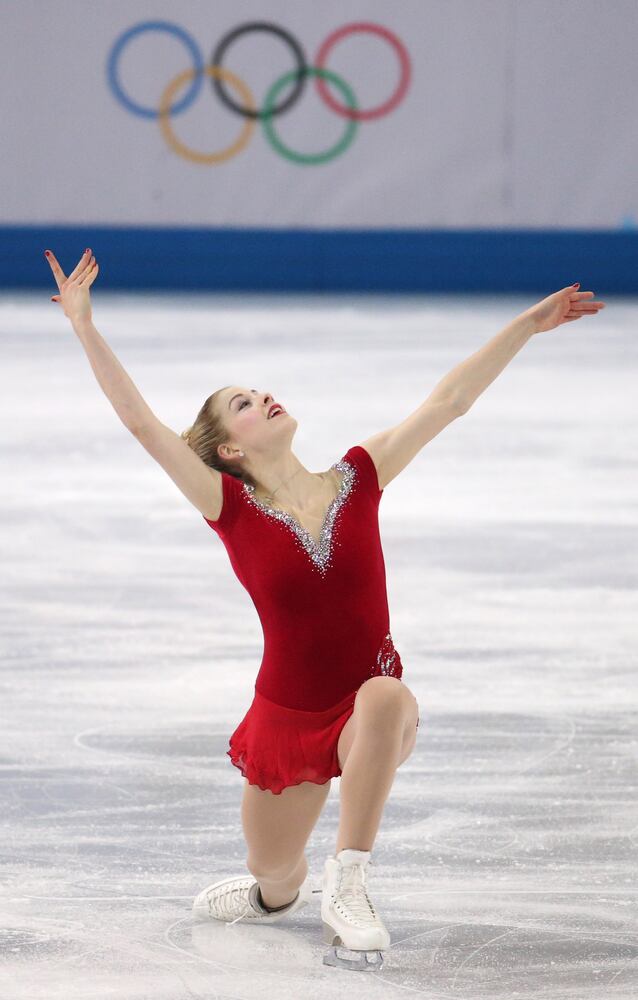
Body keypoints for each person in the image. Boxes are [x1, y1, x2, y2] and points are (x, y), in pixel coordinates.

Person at [45, 248, 605, 970]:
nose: (263, 398)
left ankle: (350, 882)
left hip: (369, 712)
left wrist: (527, 324)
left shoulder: (358, 477)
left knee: (385, 693)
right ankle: (275, 895)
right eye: (243, 404)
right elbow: (143, 426)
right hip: (286, 717)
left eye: (258, 391)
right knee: (275, 871)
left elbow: (448, 402)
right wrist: (84, 326)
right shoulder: (228, 506)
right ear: (228, 449)